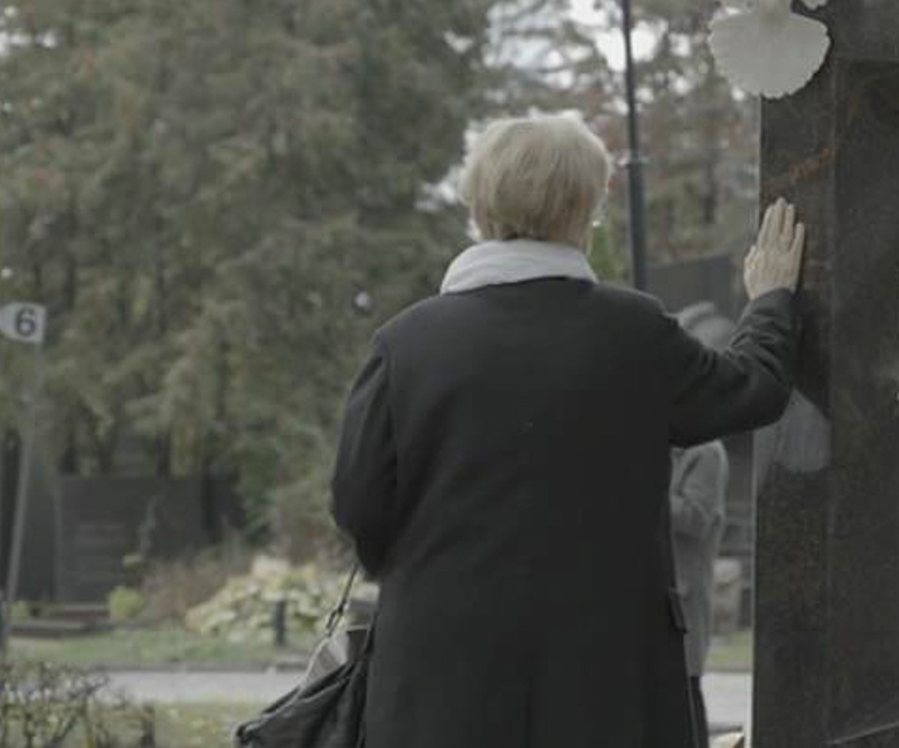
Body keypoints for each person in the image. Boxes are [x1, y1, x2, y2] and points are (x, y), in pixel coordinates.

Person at [330, 114, 804, 747]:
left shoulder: (405, 343)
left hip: (438, 675)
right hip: (605, 677)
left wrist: (435, 575)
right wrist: (770, 299)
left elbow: (360, 508)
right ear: (585, 208)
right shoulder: (634, 333)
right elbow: (753, 389)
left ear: (479, 207)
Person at [669, 438, 728, 746]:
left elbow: (696, 517)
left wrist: (640, 486)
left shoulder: (705, 452)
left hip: (685, 594)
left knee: (686, 691)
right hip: (664, 593)